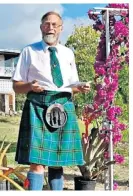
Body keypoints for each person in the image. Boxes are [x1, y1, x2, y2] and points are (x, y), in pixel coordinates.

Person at [12, 11, 91, 191]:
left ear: (61, 29)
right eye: (47, 24)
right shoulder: (29, 51)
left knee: (57, 163)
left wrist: (81, 88)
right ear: (41, 27)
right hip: (37, 107)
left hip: (63, 107)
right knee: (37, 164)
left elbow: (72, 86)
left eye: (55, 25)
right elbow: (17, 87)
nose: (51, 28)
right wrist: (30, 86)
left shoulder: (68, 53)